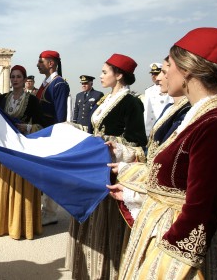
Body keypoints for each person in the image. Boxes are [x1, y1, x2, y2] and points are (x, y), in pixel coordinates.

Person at [119, 27, 217, 279]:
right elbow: (173, 179)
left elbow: (201, 209)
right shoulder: (200, 115)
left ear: (187, 68)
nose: (163, 72)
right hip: (163, 228)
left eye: (167, 64)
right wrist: (130, 190)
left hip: (179, 249)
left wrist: (165, 266)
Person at [66, 53, 147, 279]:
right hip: (94, 167)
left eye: (104, 72)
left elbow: (137, 143)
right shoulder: (104, 100)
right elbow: (95, 132)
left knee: (106, 225)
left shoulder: (132, 102)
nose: (101, 76)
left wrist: (111, 144)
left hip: (112, 170)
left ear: (119, 75)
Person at [109, 57, 191, 226]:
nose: (158, 78)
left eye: (164, 71)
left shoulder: (194, 115)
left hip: (179, 217)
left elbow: (176, 177)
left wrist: (132, 180)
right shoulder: (172, 109)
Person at [0, 65, 43, 239]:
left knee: (18, 187)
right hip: (3, 148)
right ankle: (0, 219)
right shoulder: (1, 98)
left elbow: (41, 125)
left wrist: (27, 127)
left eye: (18, 77)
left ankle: (19, 224)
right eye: (13, 77)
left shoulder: (32, 101)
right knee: (1, 183)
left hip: (21, 149)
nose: (15, 79)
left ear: (24, 80)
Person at [35, 50, 70, 226]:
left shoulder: (59, 85)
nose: (38, 65)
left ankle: (50, 212)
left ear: (51, 64)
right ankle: (44, 208)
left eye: (41, 62)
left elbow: (60, 115)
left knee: (50, 175)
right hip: (42, 134)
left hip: (51, 134)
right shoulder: (46, 83)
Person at [143, 62, 173, 136]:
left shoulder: (169, 89)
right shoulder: (148, 91)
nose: (153, 76)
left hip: (162, 129)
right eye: (152, 74)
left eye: (156, 74)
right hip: (148, 130)